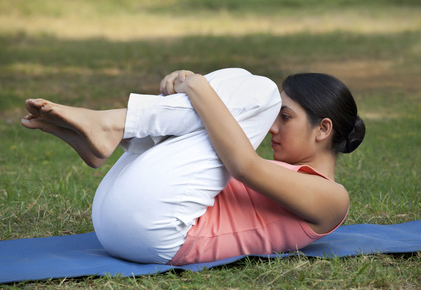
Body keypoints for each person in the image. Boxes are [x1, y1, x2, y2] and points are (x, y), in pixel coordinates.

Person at [21, 68, 365, 265]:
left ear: (323, 128)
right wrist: (194, 93)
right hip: (119, 222)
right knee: (236, 80)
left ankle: (113, 126)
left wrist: (198, 86)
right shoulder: (275, 171)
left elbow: (244, 165)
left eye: (285, 118)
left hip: (158, 232)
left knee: (259, 92)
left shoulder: (332, 198)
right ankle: (111, 133)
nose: (273, 128)